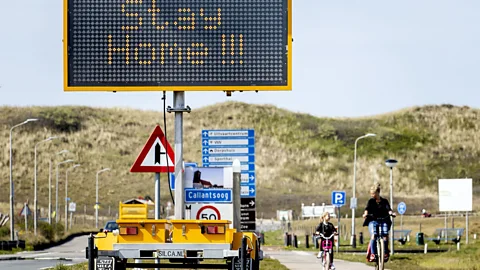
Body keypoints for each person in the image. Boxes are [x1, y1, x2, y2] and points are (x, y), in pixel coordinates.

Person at [362, 183, 396, 262]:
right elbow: (367, 209)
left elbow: (389, 209)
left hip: (383, 220)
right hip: (373, 221)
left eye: (373, 193)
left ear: (377, 193)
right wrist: (365, 214)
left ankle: (385, 253)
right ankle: (373, 254)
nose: (372, 195)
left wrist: (391, 213)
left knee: (385, 235)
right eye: (371, 193)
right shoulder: (371, 201)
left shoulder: (384, 201)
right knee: (374, 235)